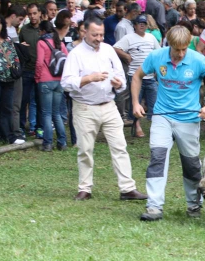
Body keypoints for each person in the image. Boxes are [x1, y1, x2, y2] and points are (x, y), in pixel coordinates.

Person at [131, 26, 205, 221]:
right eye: (177, 49)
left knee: (191, 164)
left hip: (189, 119)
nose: (181, 53)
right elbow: (137, 76)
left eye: (184, 49)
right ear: (168, 45)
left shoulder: (198, 60)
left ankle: (194, 206)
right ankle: (154, 207)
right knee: (157, 158)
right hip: (162, 115)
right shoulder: (156, 57)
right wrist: (135, 103)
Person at [60, 18, 147, 202]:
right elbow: (66, 83)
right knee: (85, 149)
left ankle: (127, 188)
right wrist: (88, 79)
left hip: (109, 105)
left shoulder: (108, 49)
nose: (99, 38)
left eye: (100, 34)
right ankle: (85, 188)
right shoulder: (76, 54)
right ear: (84, 32)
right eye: (94, 35)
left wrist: (119, 83)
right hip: (84, 107)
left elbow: (121, 78)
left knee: (120, 147)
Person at [114, 14, 160, 137]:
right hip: (135, 76)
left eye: (144, 23)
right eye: (139, 23)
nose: (142, 25)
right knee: (136, 102)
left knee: (154, 102)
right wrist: (126, 56)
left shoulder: (151, 37)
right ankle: (137, 125)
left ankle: (156, 126)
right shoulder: (129, 38)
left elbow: (158, 52)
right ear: (134, 25)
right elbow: (116, 48)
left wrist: (156, 66)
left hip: (150, 77)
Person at [35, 20, 68, 152]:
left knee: (46, 113)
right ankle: (62, 142)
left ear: (42, 31)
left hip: (45, 80)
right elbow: (67, 58)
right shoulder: (59, 41)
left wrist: (37, 77)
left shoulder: (41, 42)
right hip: (58, 80)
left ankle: (48, 143)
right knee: (57, 113)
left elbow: (38, 62)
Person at [19, 3, 43, 139]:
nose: (32, 16)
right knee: (24, 101)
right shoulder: (24, 30)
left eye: (34, 13)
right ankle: (21, 127)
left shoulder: (45, 28)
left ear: (39, 13)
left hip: (41, 71)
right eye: (30, 14)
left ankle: (39, 127)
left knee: (40, 101)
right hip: (27, 70)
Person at [0, 13, 20, 144]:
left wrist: (15, 68)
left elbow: (15, 57)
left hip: (8, 78)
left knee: (7, 108)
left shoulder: (8, 40)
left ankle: (8, 135)